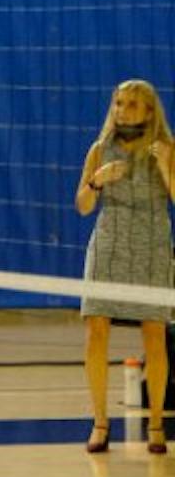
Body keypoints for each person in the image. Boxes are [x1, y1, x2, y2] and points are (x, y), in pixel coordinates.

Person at [76, 79, 173, 455]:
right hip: (109, 243)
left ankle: (156, 424)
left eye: (132, 104)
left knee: (155, 334)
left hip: (151, 245)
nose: (123, 110)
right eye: (118, 103)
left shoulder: (166, 149)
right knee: (96, 331)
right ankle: (100, 423)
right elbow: (83, 206)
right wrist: (96, 182)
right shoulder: (100, 150)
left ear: (149, 111)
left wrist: (166, 167)